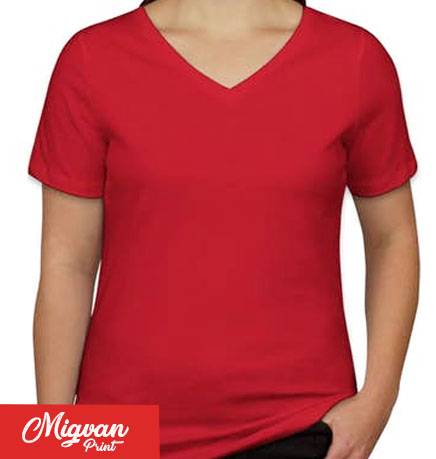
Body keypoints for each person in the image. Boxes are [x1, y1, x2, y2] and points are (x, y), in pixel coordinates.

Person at [28, 0, 420, 458]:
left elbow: (392, 238)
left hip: (299, 426)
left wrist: (377, 402)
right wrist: (51, 441)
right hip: (117, 432)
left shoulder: (355, 59)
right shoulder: (91, 59)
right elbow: (67, 264)